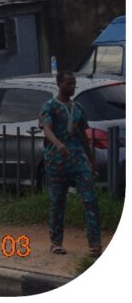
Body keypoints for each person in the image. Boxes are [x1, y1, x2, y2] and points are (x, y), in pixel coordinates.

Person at [39, 70, 102, 257]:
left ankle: (95, 244)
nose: (72, 87)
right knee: (58, 200)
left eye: (74, 84)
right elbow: (46, 129)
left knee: (90, 199)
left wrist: (91, 161)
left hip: (78, 159)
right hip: (57, 161)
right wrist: (58, 144)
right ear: (59, 84)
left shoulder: (78, 109)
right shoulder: (49, 106)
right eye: (68, 84)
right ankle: (56, 242)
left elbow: (84, 136)